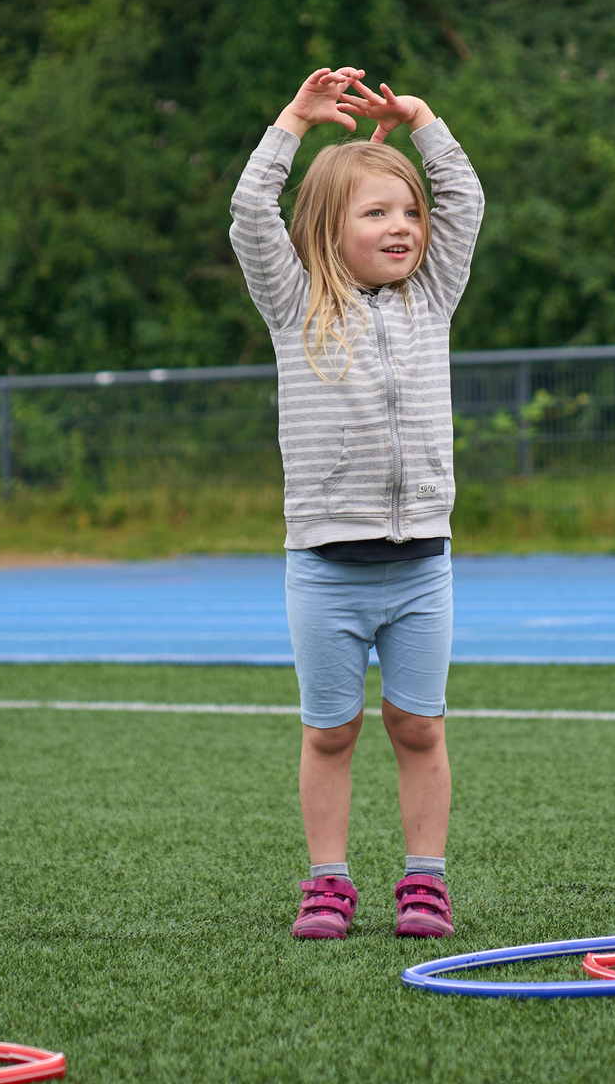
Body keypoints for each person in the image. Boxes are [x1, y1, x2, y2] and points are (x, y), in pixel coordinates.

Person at [230, 67, 484, 940]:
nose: (403, 228)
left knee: (418, 727)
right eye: (376, 213)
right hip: (326, 570)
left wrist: (422, 121)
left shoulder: (431, 298)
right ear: (326, 231)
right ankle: (328, 882)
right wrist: (293, 123)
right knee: (330, 734)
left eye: (408, 212)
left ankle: (426, 881)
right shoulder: (293, 300)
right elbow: (248, 213)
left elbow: (467, 200)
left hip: (421, 567)